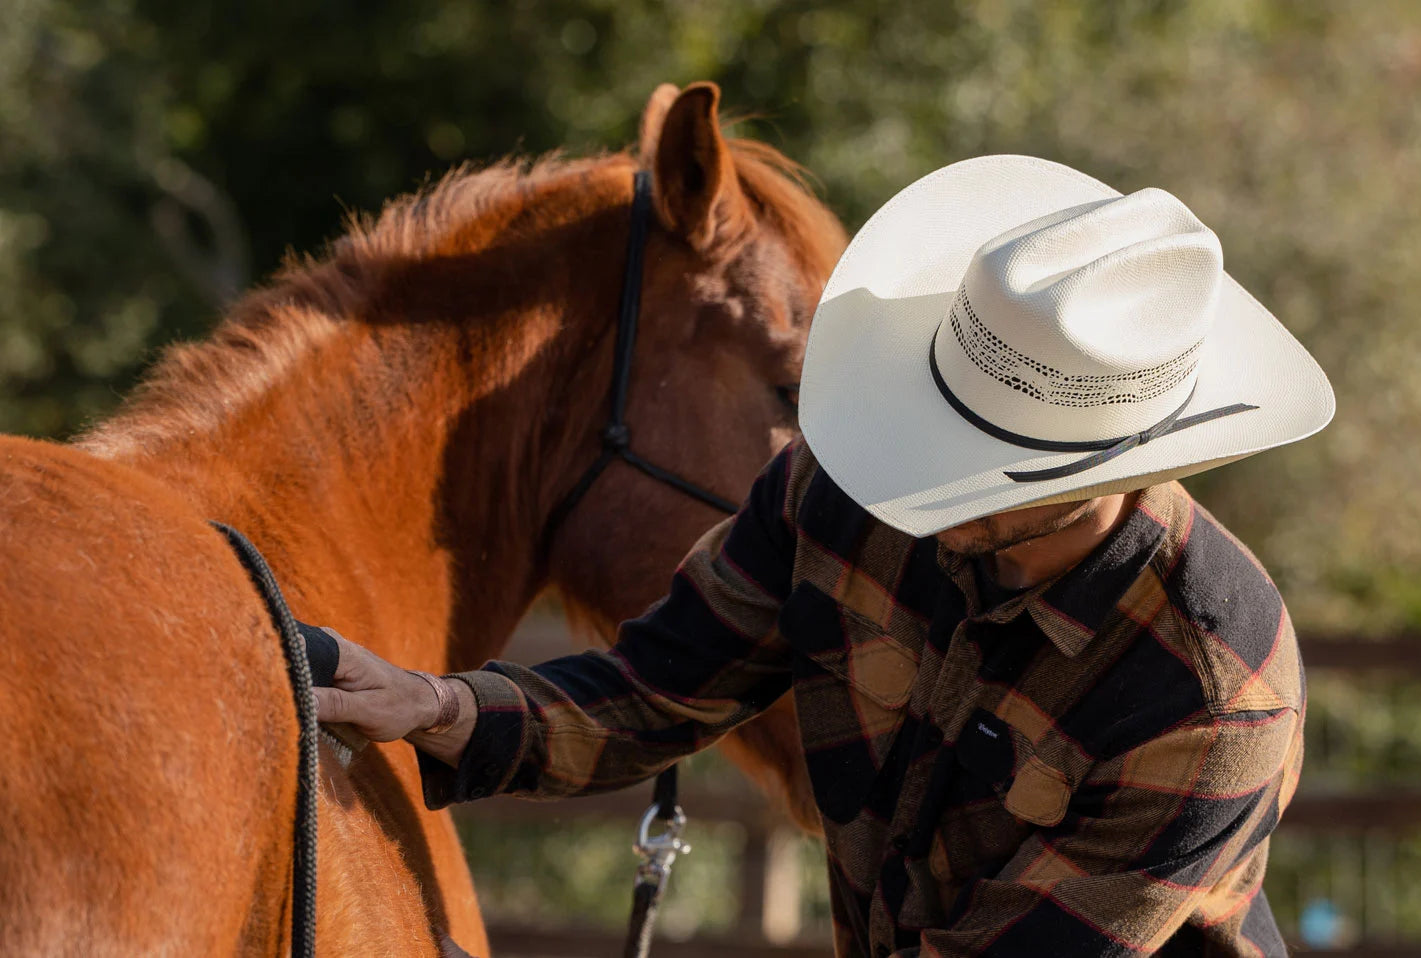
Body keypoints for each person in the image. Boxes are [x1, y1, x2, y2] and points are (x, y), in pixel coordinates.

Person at [314, 155, 1334, 957]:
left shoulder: (1215, 692)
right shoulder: (844, 487)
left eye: (986, 469)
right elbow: (655, 693)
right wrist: (434, 707)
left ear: (1115, 464)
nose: (926, 483)